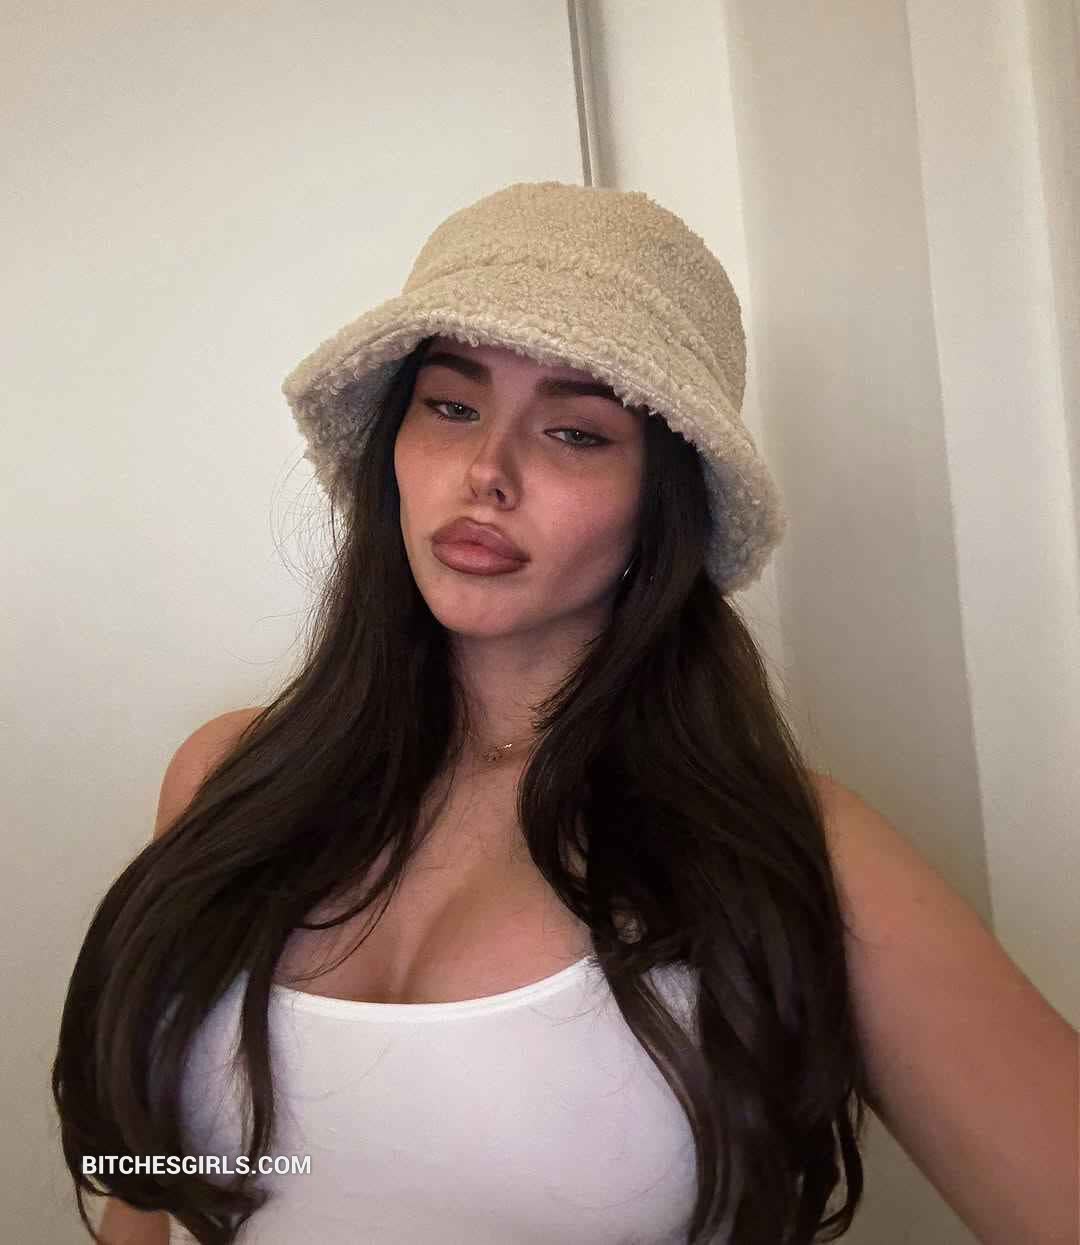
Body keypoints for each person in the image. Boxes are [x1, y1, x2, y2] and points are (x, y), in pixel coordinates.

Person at [52, 182, 1078, 1245]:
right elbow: (148, 1189)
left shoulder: (791, 851)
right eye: (451, 407)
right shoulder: (225, 778)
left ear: (662, 503)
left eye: (577, 432)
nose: (486, 473)